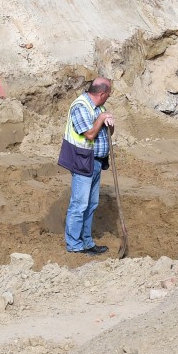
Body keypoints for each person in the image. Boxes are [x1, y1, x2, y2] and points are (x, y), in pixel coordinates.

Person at [59, 77, 115, 255]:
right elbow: (90, 134)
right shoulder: (80, 107)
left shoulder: (99, 108)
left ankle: (87, 242)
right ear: (102, 93)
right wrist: (100, 119)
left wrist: (108, 124)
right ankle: (74, 245)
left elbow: (104, 132)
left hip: (96, 161)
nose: (109, 97)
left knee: (91, 204)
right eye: (109, 94)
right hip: (82, 160)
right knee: (79, 204)